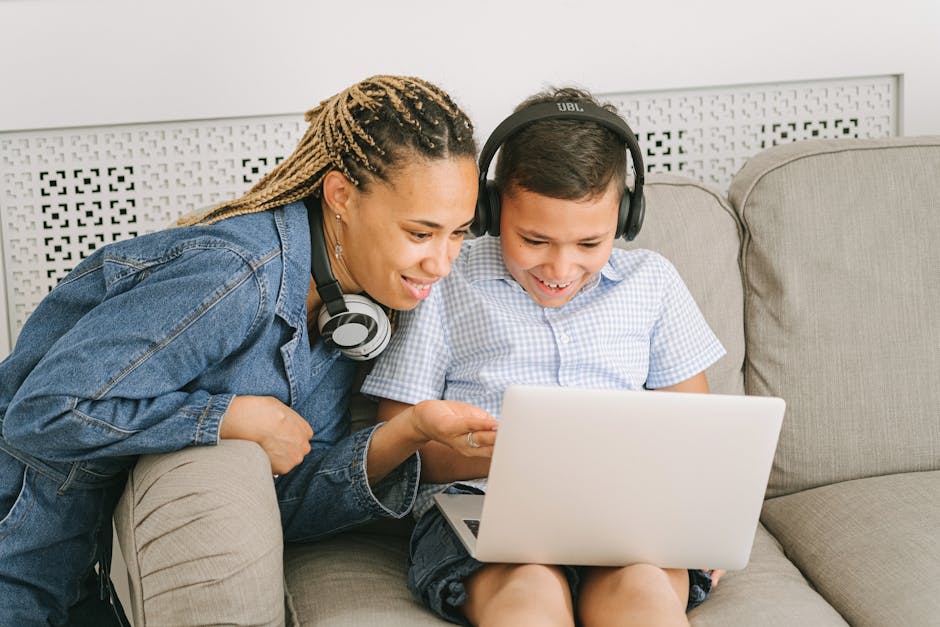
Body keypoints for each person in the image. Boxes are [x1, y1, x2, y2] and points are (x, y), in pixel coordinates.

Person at [0, 75, 498, 627]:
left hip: (79, 573)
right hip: (18, 551)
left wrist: (410, 432)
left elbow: (288, 505)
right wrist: (224, 416)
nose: (443, 262)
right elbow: (42, 413)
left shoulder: (351, 308)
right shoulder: (234, 276)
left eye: (458, 233)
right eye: (421, 233)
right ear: (340, 197)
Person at [361, 87, 727, 627]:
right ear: (490, 210)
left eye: (588, 244)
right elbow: (398, 447)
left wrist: (702, 522)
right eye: (533, 239)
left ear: (625, 217)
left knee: (645, 596)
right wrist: (513, 456)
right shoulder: (447, 282)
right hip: (485, 506)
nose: (559, 268)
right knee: (527, 595)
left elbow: (696, 434)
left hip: (623, 515)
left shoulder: (652, 282)